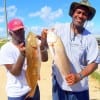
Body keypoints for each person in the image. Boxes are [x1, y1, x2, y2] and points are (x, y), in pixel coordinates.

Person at [41, 0, 100, 100]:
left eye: (84, 14)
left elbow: (94, 63)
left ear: (88, 18)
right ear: (73, 13)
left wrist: (79, 76)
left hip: (80, 89)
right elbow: (44, 56)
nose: (80, 16)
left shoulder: (90, 38)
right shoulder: (58, 29)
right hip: (59, 85)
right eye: (78, 12)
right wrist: (43, 40)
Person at [0, 18, 48, 100]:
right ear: (10, 33)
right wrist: (22, 55)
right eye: (17, 31)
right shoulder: (6, 49)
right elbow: (15, 72)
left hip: (33, 88)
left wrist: (43, 44)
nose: (20, 33)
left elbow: (45, 59)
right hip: (17, 94)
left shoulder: (30, 42)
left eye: (21, 30)